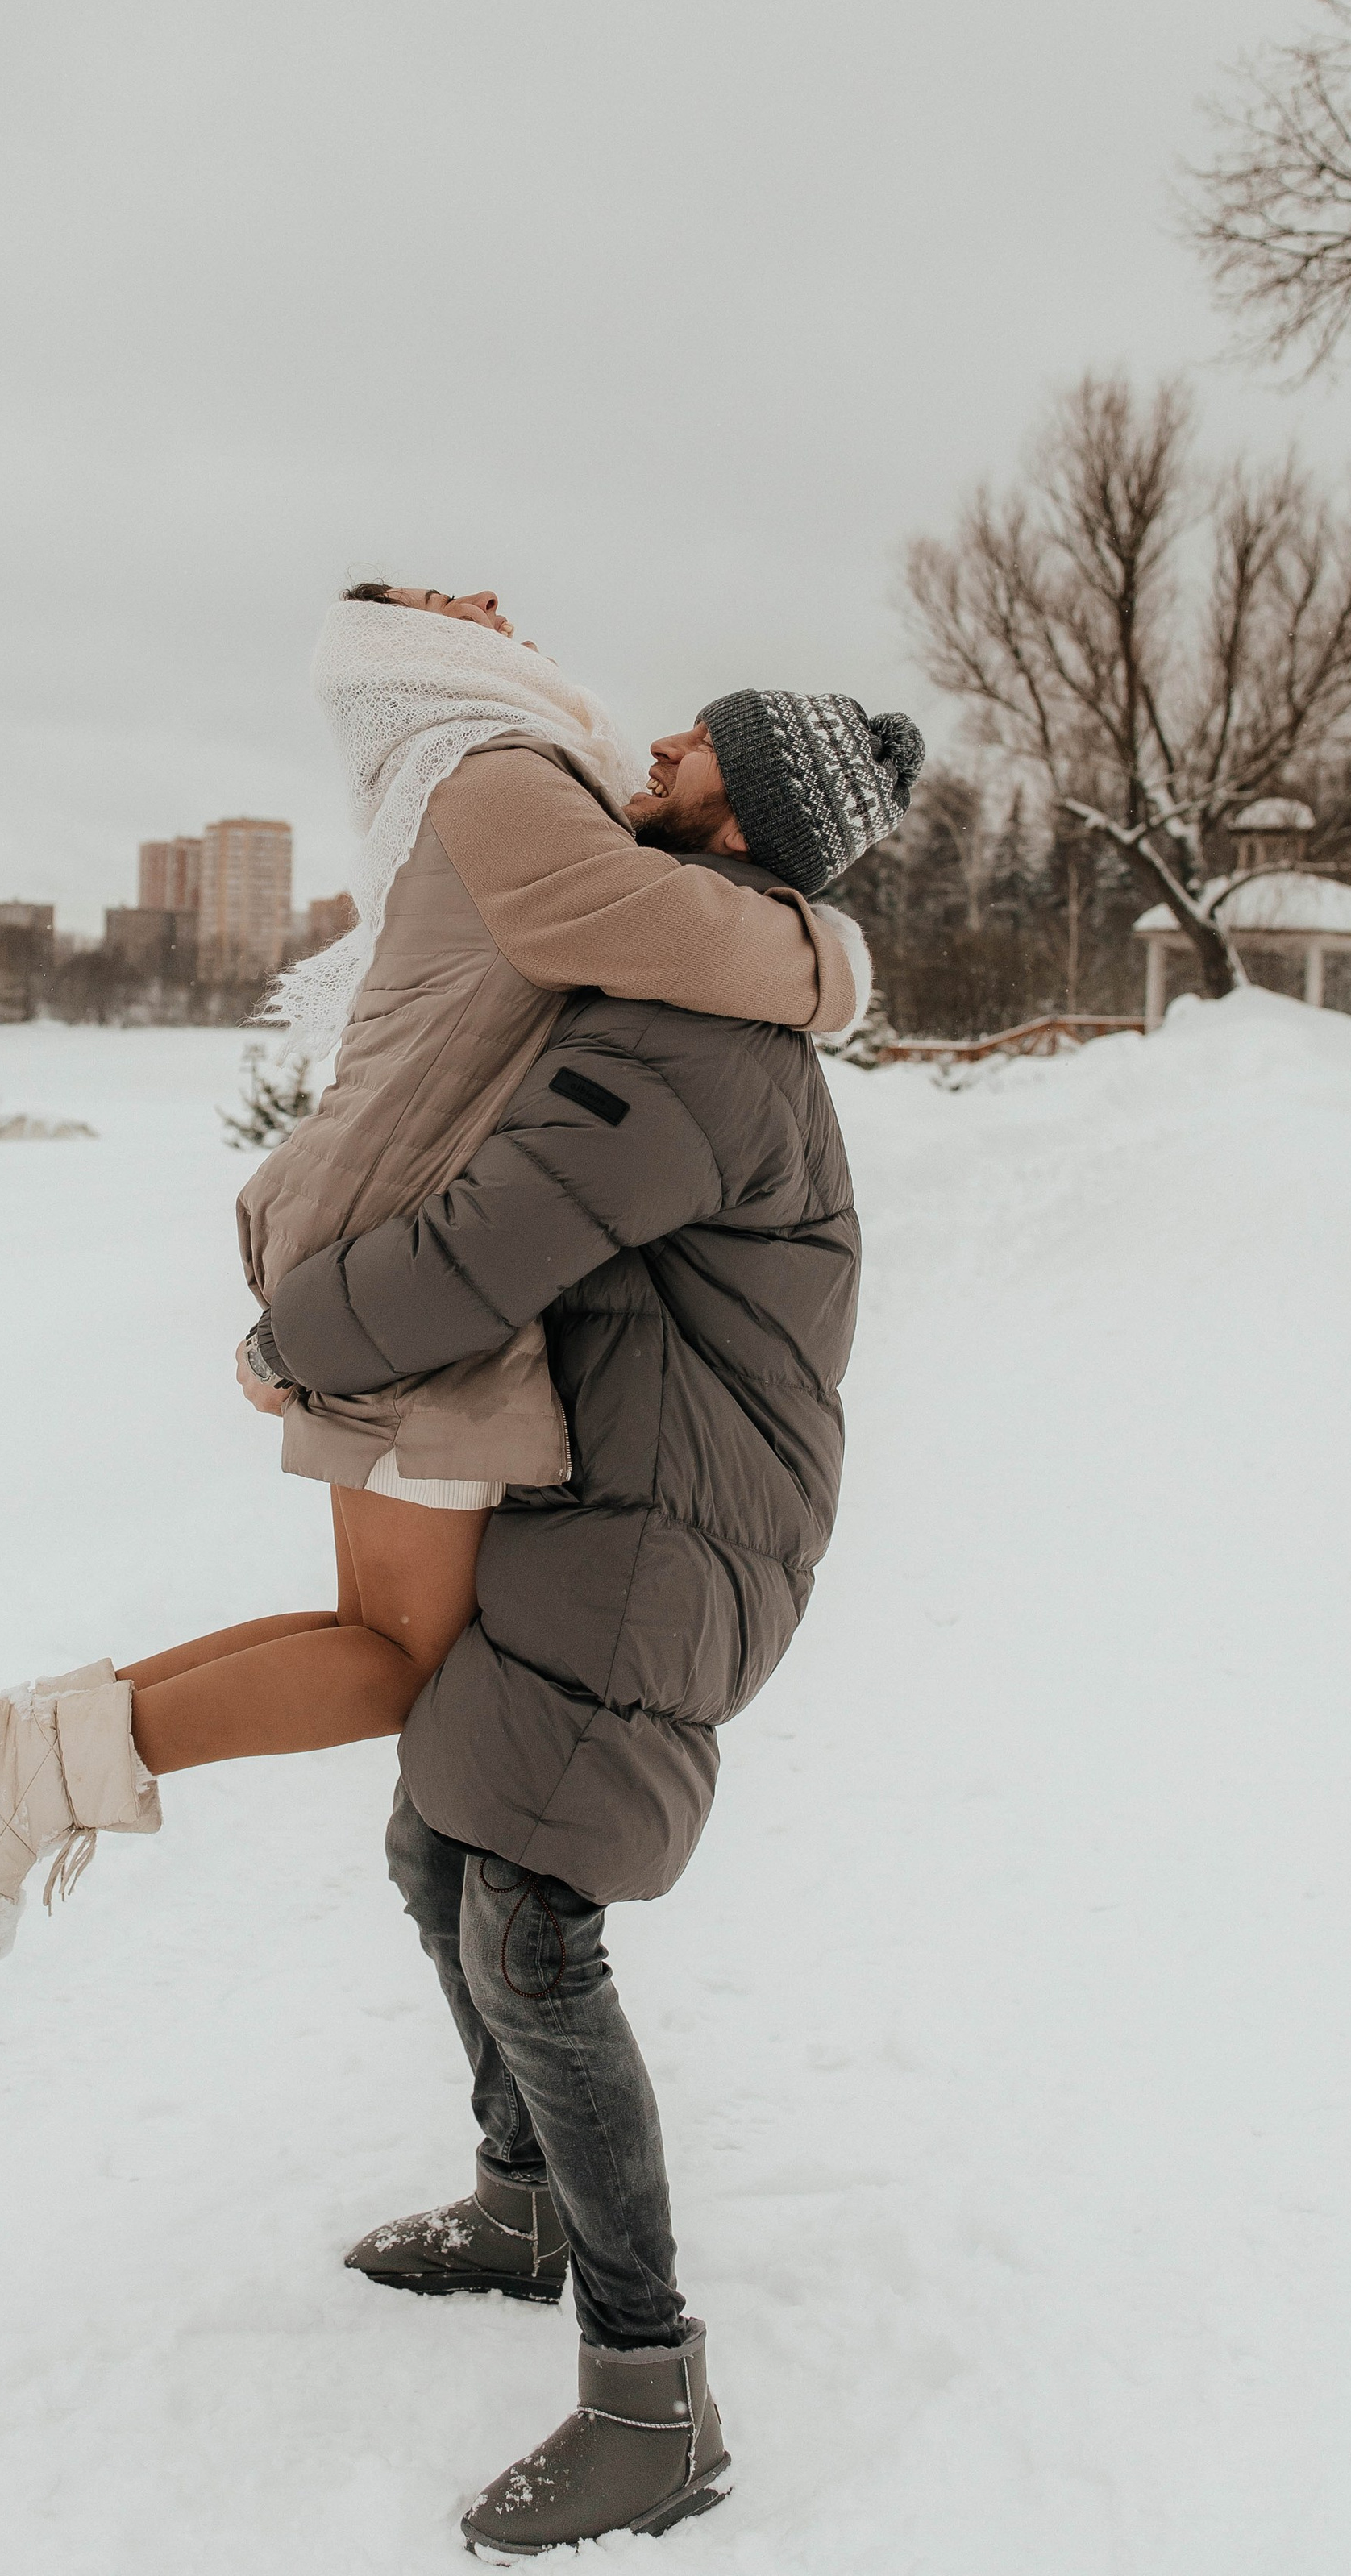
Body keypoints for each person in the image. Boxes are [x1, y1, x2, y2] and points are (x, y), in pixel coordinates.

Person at [0, 586, 920, 1985]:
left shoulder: (524, 765)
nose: (504, 604)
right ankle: (38, 1765)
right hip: (407, 1222)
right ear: (427, 642)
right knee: (399, 1658)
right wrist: (832, 958)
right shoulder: (502, 767)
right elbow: (672, 934)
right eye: (462, 600)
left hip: (394, 1204)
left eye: (698, 744)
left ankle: (37, 1748)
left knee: (382, 1635)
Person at [247, 682, 906, 2552]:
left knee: (530, 1922)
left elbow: (482, 1253)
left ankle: (651, 2400)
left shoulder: (696, 1048)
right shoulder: (683, 993)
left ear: (731, 817)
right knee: (433, 1845)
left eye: (688, 750)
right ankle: (522, 2196)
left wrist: (283, 1340)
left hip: (665, 1540)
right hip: (609, 1506)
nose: (649, 755)